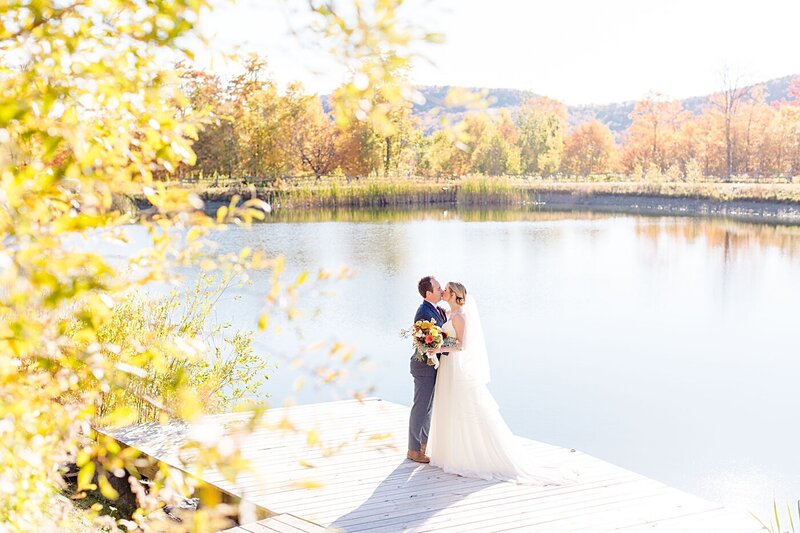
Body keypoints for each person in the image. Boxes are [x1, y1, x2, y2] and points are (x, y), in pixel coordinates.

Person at [426, 282, 572, 484]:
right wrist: (436, 345)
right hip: (447, 367)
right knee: (449, 405)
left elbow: (461, 345)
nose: (442, 291)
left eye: (446, 290)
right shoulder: (448, 314)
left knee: (465, 407)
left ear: (453, 294)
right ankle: (450, 453)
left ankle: (470, 455)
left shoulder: (460, 316)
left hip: (456, 366)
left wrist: (440, 346)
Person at [407, 275, 447, 464]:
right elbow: (423, 340)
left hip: (432, 366)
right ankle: (413, 450)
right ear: (429, 293)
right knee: (420, 408)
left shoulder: (437, 309)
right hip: (423, 366)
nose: (441, 291)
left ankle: (422, 446)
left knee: (428, 409)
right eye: (438, 288)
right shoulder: (423, 312)